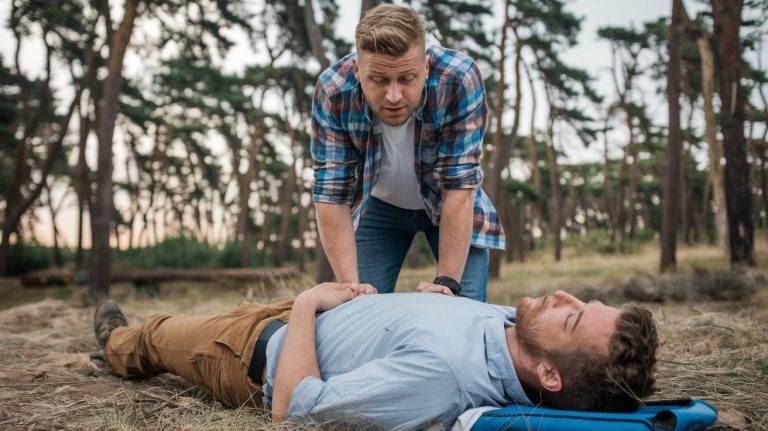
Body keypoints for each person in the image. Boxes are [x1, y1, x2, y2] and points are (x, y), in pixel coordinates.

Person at [94, 285, 658, 431]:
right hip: (294, 317)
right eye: (584, 302)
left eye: (573, 318)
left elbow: (294, 409)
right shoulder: (517, 331)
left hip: (251, 351)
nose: (563, 299)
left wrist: (311, 303)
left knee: (158, 336)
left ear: (551, 374)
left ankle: (115, 342)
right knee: (180, 324)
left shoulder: (442, 379)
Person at [311, 4, 503, 301]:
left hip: (450, 202)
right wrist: (351, 291)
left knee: (464, 314)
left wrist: (447, 283)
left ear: (425, 67)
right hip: (379, 207)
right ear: (358, 70)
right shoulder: (333, 90)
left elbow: (459, 185)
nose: (394, 96)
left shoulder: (459, 79)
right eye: (379, 80)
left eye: (406, 79)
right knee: (360, 313)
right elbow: (331, 194)